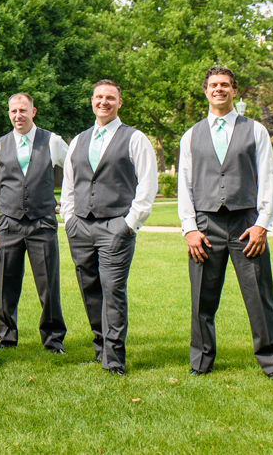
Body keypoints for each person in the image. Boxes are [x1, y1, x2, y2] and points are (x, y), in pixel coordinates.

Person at [179, 67, 273, 379]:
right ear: (206, 91)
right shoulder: (191, 135)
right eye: (213, 85)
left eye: (225, 84)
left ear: (234, 91)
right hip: (205, 227)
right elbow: (185, 185)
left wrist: (263, 224)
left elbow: (267, 178)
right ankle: (200, 362)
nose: (219, 89)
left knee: (259, 298)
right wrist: (190, 229)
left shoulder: (255, 131)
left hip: (246, 225)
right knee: (201, 300)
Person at [60, 79, 157, 376]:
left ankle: (114, 359)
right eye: (99, 97)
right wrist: (69, 219)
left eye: (110, 98)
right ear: (92, 101)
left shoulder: (135, 138)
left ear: (119, 103)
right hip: (81, 227)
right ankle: (100, 349)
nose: (104, 102)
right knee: (89, 289)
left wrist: (129, 224)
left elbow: (147, 184)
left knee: (113, 290)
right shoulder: (78, 140)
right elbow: (69, 183)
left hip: (115, 226)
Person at [0, 93, 69, 353]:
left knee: (48, 285)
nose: (18, 115)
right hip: (8, 223)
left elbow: (75, 172)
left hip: (42, 223)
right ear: (8, 114)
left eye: (23, 110)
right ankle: (6, 336)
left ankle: (53, 338)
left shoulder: (52, 142)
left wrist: (65, 205)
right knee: (6, 284)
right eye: (13, 111)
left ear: (34, 111)